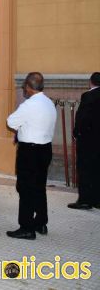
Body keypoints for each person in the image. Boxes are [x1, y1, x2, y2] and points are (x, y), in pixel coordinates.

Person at [6, 72, 57, 239]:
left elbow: (11, 122)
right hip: (45, 150)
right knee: (39, 187)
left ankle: (26, 227)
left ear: (28, 87)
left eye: (24, 87)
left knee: (25, 188)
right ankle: (41, 222)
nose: (24, 90)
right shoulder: (49, 103)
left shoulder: (29, 105)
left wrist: (21, 128)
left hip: (30, 151)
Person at [68, 72, 100, 210]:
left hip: (88, 140)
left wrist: (76, 132)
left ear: (90, 82)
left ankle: (85, 200)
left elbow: (82, 117)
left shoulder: (88, 96)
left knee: (85, 169)